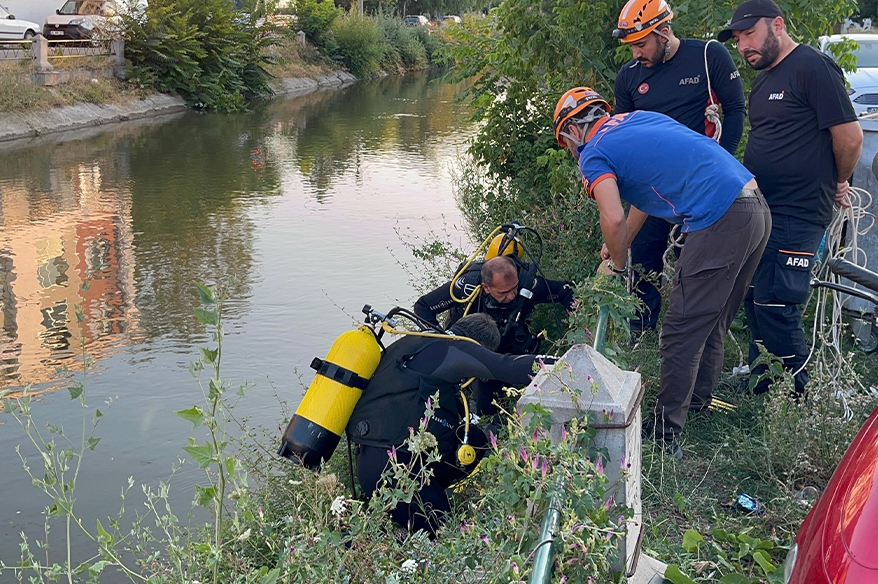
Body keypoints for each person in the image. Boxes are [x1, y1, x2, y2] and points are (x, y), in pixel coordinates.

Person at [552, 87, 771, 457]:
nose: (570, 149)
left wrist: (618, 269)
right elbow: (640, 200)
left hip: (718, 216)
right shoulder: (636, 121)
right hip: (754, 208)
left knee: (681, 328)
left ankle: (665, 431)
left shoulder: (593, 152)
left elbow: (613, 213)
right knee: (713, 318)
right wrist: (620, 244)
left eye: (565, 141)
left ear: (573, 128)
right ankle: (697, 403)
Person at [718, 0, 863, 394]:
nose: (743, 45)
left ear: (777, 25)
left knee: (777, 305)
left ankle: (798, 399)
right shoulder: (765, 78)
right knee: (754, 298)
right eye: (737, 39)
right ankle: (764, 389)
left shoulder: (813, 68)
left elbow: (850, 138)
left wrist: (840, 180)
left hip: (799, 211)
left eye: (749, 34)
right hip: (764, 210)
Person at [346, 313, 552, 535]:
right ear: (479, 344)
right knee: (441, 529)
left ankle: (417, 517)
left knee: (476, 441)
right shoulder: (455, 348)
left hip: (372, 459)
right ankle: (389, 548)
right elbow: (508, 366)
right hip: (393, 470)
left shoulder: (417, 341)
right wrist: (566, 362)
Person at [613, 0, 746, 333]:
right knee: (642, 265)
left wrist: (725, 164)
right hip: (652, 193)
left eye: (641, 44)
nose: (635, 55)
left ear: (664, 32)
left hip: (700, 191)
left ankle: (696, 336)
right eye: (630, 47)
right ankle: (639, 339)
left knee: (698, 271)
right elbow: (621, 136)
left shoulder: (708, 55)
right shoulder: (629, 77)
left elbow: (736, 110)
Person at [414, 255, 574, 355]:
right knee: (485, 402)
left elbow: (565, 291)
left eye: (514, 288)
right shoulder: (466, 288)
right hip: (473, 346)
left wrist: (578, 324)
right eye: (503, 293)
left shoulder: (527, 285)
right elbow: (423, 307)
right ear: (486, 287)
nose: (512, 296)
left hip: (510, 340)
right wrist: (441, 342)